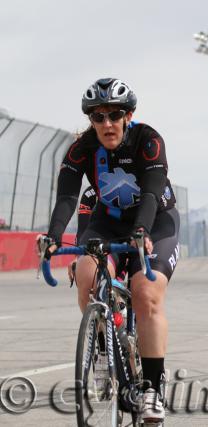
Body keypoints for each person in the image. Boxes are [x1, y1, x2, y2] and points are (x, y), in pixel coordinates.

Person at [38, 78, 179, 424]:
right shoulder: (81, 149)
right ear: (91, 120)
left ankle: (152, 391)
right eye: (98, 117)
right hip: (109, 219)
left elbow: (150, 192)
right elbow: (68, 197)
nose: (106, 124)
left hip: (156, 221)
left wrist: (142, 232)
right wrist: (54, 235)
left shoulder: (148, 141)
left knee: (145, 293)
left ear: (128, 115)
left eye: (114, 115)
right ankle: (103, 346)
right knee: (87, 275)